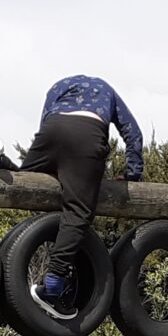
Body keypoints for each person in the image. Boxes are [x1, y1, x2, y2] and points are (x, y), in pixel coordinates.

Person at [20, 76, 144, 322]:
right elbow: (133, 133)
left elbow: (45, 120)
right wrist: (132, 174)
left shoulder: (57, 86)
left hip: (51, 131)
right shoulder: (106, 89)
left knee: (23, 181)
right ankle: (54, 286)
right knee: (78, 212)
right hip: (86, 136)